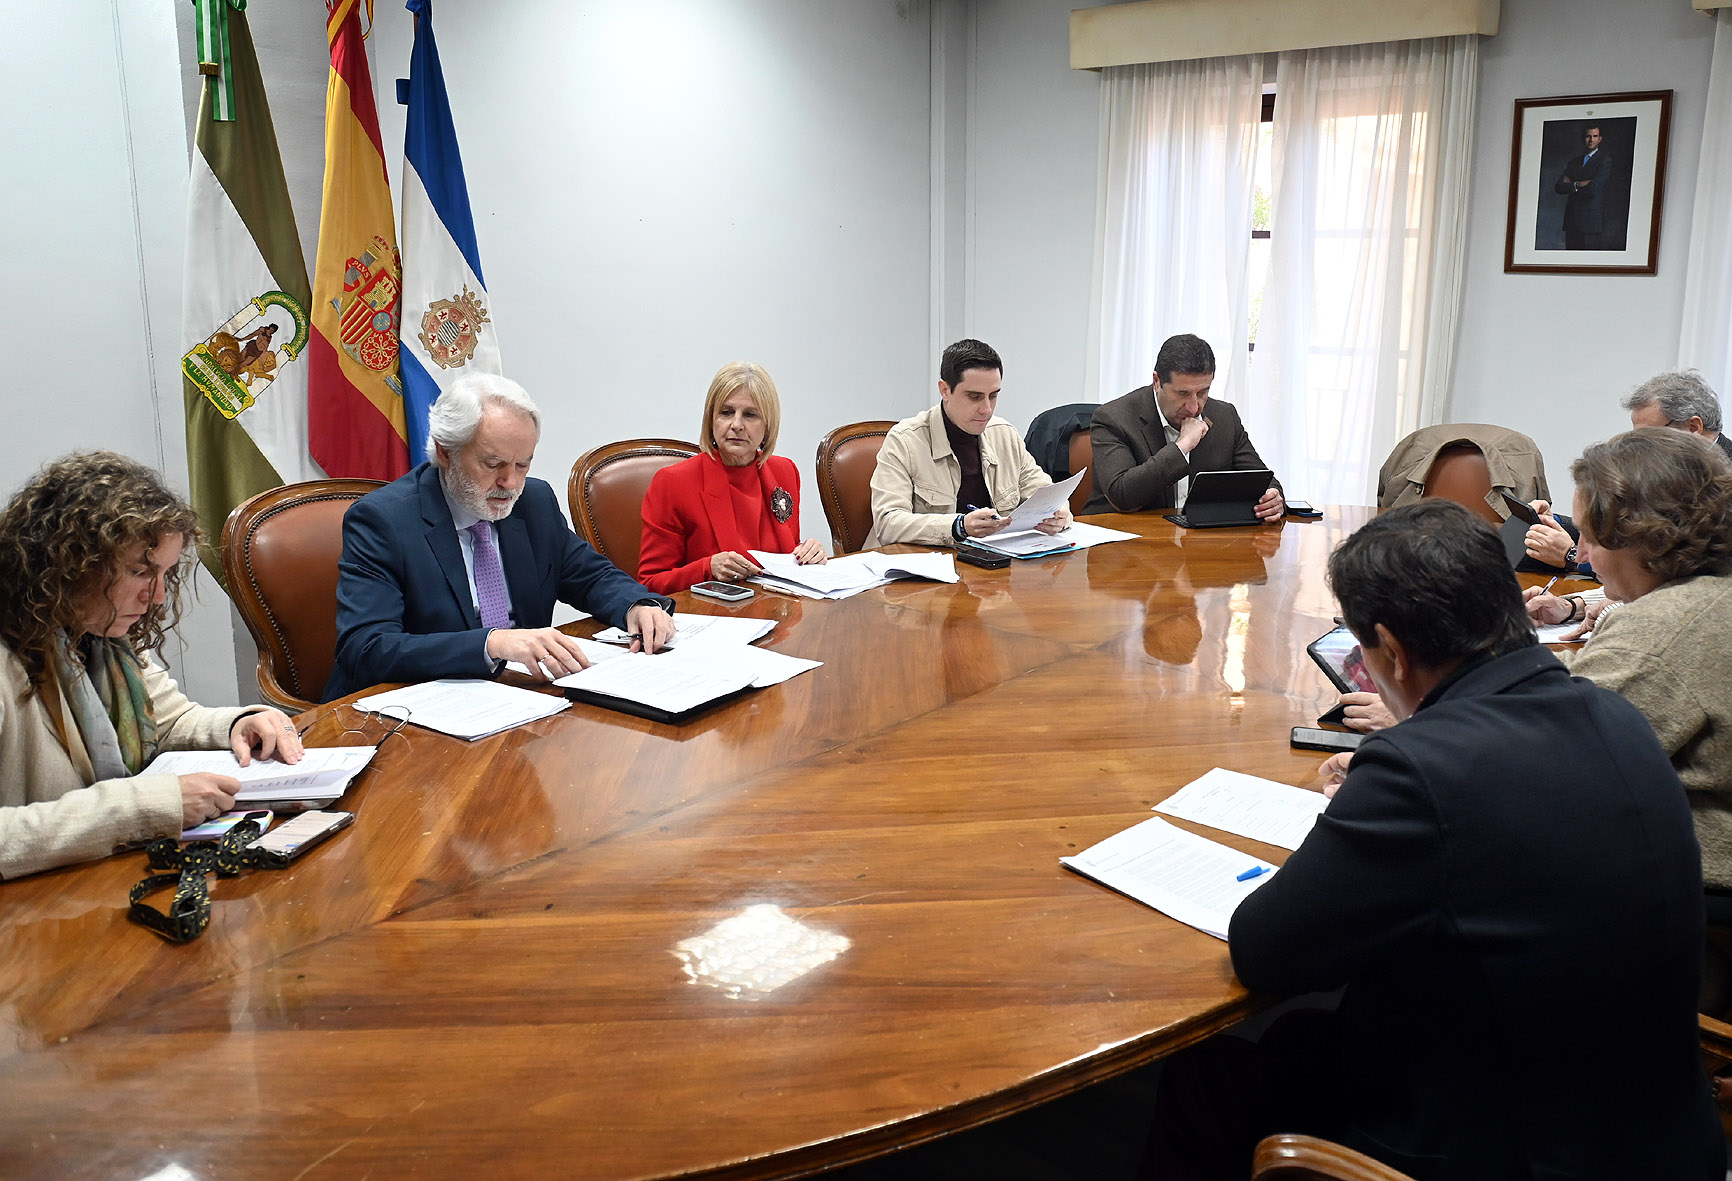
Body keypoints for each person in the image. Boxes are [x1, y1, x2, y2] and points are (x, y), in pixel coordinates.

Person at [1145, 500, 1721, 1180]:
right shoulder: (1614, 714)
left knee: (1207, 1076)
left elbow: (1264, 951)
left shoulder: (1421, 768)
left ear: (1391, 651)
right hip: (1661, 1131)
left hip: (1513, 1152)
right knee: (1303, 1034)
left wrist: (1366, 809)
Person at [0, 453, 303, 880]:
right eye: (140, 572)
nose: (157, 597)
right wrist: (142, 807)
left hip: (89, 879)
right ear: (69, 565)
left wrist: (239, 724)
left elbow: (169, 722)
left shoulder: (95, 634)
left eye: (165, 574)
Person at [326, 374, 675, 701]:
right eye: (493, 464)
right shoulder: (383, 521)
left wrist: (636, 605)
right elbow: (366, 647)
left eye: (523, 465)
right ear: (445, 451)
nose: (510, 483)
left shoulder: (533, 502)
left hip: (521, 696)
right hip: (414, 705)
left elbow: (590, 576)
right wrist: (492, 644)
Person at [1523, 428, 1732, 889]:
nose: (1581, 554)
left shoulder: (1661, 630)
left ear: (1645, 537)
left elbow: (1541, 760)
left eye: (1590, 537)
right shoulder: (1710, 596)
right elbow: (1593, 687)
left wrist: (1422, 716)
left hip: (1685, 884)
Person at [638, 362, 826, 594]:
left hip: (777, 609)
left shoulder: (785, 471)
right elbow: (650, 583)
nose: (736, 425)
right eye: (726, 412)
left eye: (750, 415)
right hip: (710, 611)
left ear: (768, 425)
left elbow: (784, 555)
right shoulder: (672, 483)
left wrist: (808, 553)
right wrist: (707, 568)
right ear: (711, 420)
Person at [865, 338, 1070, 549]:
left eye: (993, 396)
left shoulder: (1004, 433)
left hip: (992, 559)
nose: (987, 409)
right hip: (925, 562)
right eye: (974, 397)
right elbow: (888, 523)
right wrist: (958, 526)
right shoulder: (904, 441)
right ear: (945, 390)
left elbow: (1046, 492)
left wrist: (1060, 515)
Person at [1524, 370, 1732, 570]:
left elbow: (1685, 566)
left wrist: (1572, 557)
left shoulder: (1724, 481)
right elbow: (1628, 536)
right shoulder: (1668, 468)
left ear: (1693, 428)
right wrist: (1554, 523)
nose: (1640, 446)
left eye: (1649, 435)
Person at [1082, 333, 1282, 518]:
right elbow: (1122, 495)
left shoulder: (1225, 417)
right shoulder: (1113, 418)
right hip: (1122, 536)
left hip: (1197, 537)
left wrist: (1272, 497)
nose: (1194, 407)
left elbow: (1262, 478)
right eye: (1183, 393)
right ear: (1157, 382)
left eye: (1203, 392)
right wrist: (1182, 445)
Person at [1554, 123, 1613, 250]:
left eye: (1595, 136)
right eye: (1588, 136)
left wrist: (1571, 185)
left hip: (1590, 223)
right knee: (1570, 260)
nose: (1591, 140)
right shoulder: (1573, 162)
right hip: (1571, 221)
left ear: (1600, 139)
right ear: (1583, 138)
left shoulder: (1604, 161)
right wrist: (1579, 184)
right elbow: (1559, 187)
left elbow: (1593, 189)